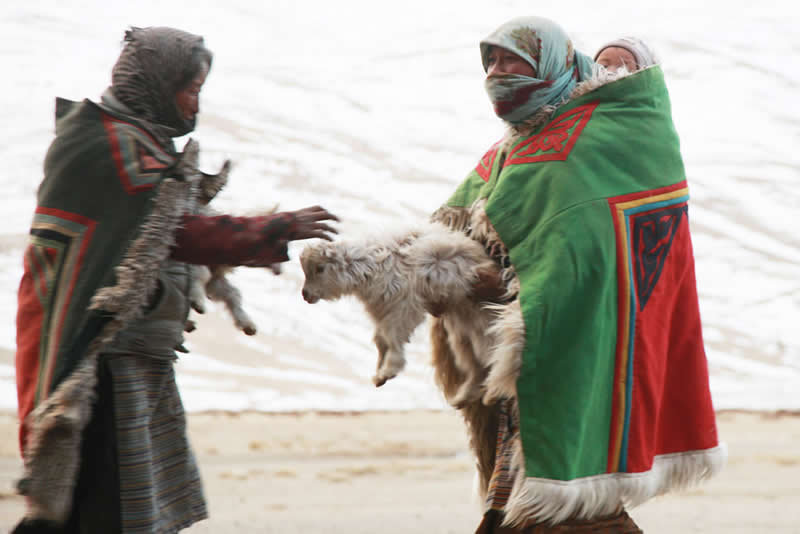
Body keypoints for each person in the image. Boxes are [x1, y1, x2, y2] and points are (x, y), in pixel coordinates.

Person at [13, 26, 338, 533]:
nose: (196, 104)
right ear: (156, 84)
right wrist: (276, 227)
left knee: (122, 502)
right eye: (191, 90)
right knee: (98, 500)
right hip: (97, 360)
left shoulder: (137, 141)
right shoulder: (109, 147)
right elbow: (173, 231)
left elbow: (166, 227)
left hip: (132, 357)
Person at [427, 16, 724, 533]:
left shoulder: (619, 142)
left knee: (572, 479)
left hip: (592, 330)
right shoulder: (525, 144)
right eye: (602, 63)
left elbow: (589, 252)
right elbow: (470, 217)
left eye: (622, 67)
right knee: (533, 476)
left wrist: (514, 288)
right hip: (532, 337)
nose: (609, 74)